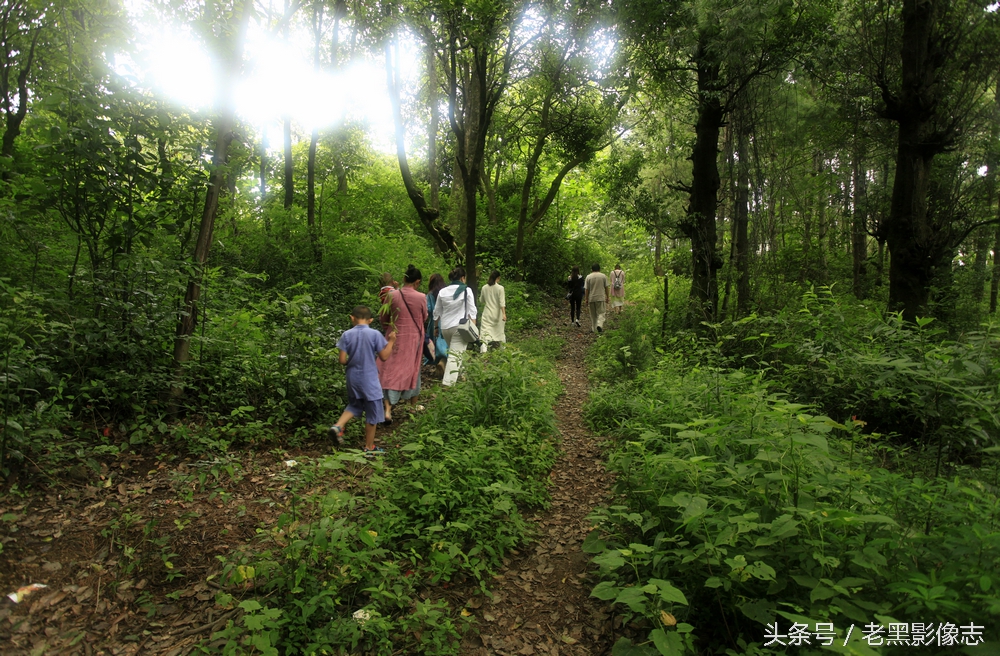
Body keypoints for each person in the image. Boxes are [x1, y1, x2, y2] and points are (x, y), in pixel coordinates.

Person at [329, 306, 396, 455]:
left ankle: (338, 426)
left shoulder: (346, 335)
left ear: (352, 318)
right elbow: (384, 356)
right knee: (372, 413)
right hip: (369, 378)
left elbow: (342, 360)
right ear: (370, 320)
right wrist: (391, 341)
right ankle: (369, 447)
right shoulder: (374, 334)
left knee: (355, 405)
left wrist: (353, 362)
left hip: (352, 377)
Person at [378, 264, 428, 423]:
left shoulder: (391, 295)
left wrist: (389, 329)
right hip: (413, 339)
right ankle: (412, 406)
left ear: (404, 279)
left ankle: (387, 410)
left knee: (389, 370)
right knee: (412, 369)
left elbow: (383, 318)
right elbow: (424, 317)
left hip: (394, 336)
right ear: (417, 282)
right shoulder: (421, 297)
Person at [433, 266, 478, 386]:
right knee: (455, 356)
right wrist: (473, 328)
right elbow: (472, 311)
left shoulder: (443, 291)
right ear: (463, 278)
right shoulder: (467, 290)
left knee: (456, 352)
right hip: (460, 328)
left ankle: (462, 376)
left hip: (445, 328)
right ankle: (448, 384)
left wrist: (436, 327)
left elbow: (436, 312)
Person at [479, 270, 507, 352]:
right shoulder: (500, 288)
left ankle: (483, 351)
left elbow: (481, 300)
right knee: (500, 332)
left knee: (484, 333)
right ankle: (503, 350)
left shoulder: (484, 287)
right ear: (498, 278)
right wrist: (504, 314)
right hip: (498, 314)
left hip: (487, 313)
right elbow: (502, 303)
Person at [424, 273, 447, 368]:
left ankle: (436, 360)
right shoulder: (446, 293)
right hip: (446, 320)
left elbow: (428, 309)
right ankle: (444, 359)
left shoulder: (429, 295)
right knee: (444, 343)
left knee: (435, 342)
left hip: (434, 322)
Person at [584, 263, 609, 334]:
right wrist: (607, 297)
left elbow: (587, 289)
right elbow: (606, 287)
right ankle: (599, 325)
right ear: (599, 269)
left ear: (592, 269)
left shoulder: (588, 277)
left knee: (593, 315)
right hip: (600, 297)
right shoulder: (603, 276)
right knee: (601, 312)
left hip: (592, 298)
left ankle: (594, 329)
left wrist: (586, 299)